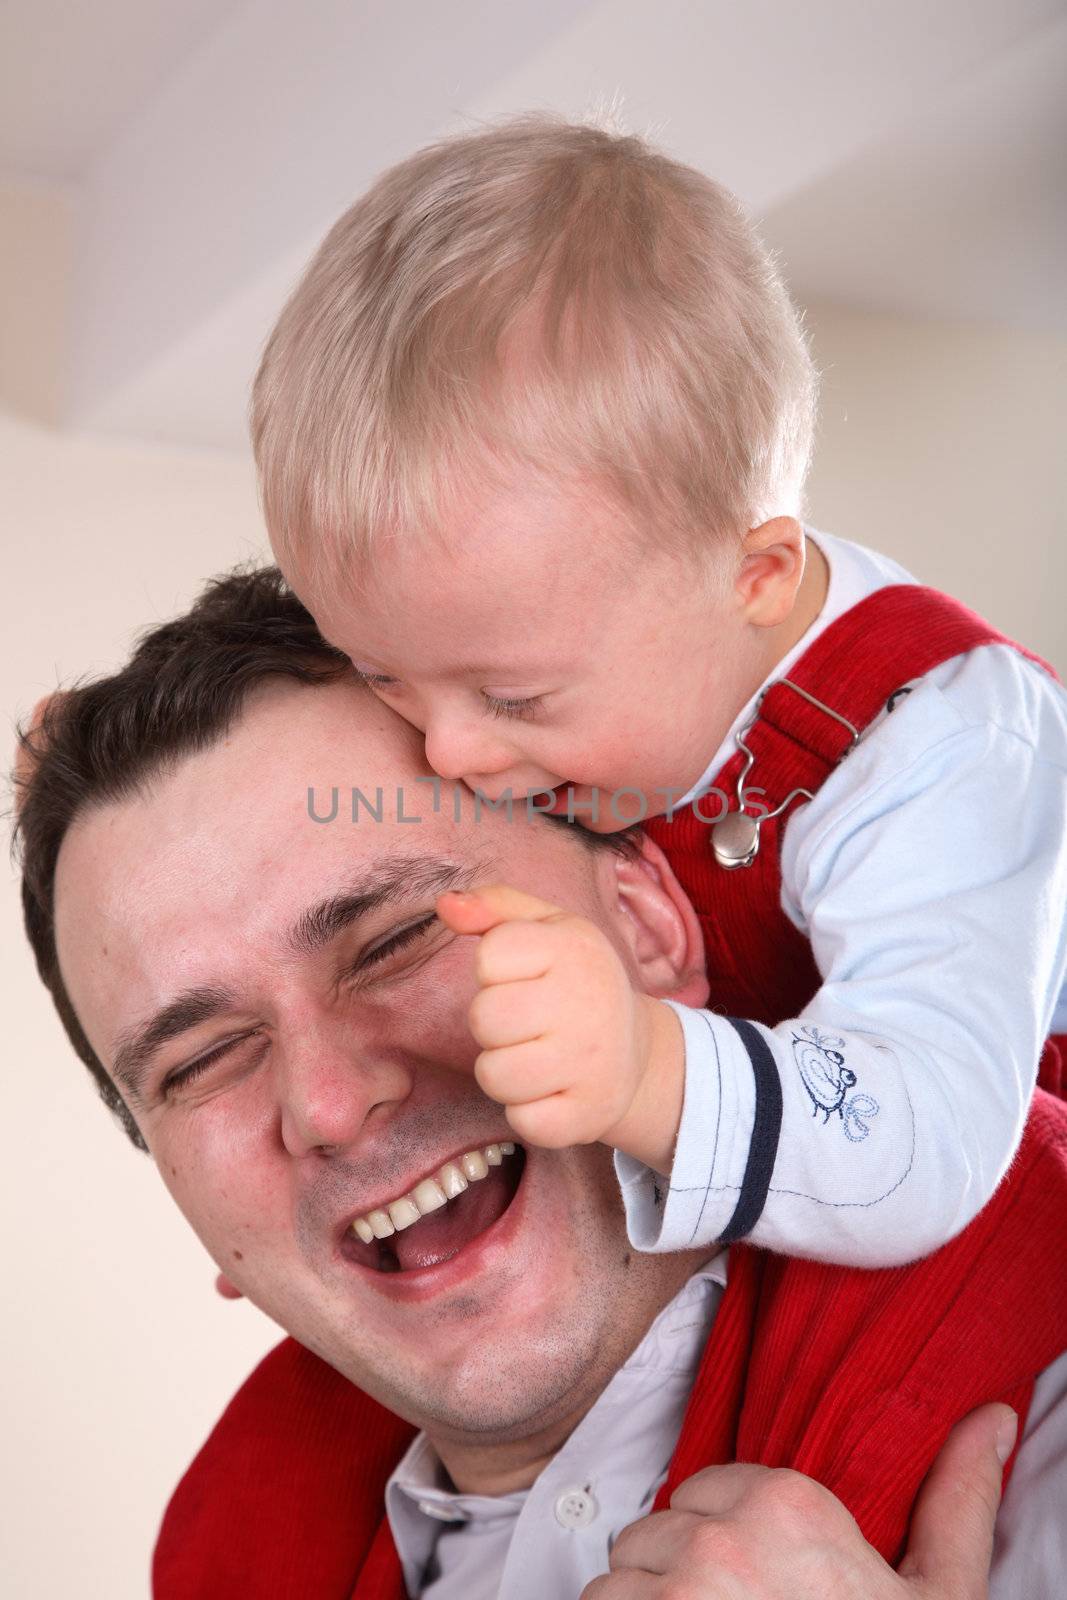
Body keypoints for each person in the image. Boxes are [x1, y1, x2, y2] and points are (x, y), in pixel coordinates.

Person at [15, 568, 1067, 1598]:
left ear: (647, 927)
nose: (330, 1105)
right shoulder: (216, 1561)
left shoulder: (1040, 1378)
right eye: (201, 1061)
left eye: (396, 940)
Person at [249, 113, 1067, 1272]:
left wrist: (643, 1070)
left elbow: (922, 1145)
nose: (444, 751)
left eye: (513, 697)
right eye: (386, 677)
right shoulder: (584, 648)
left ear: (756, 578)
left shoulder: (940, 739)